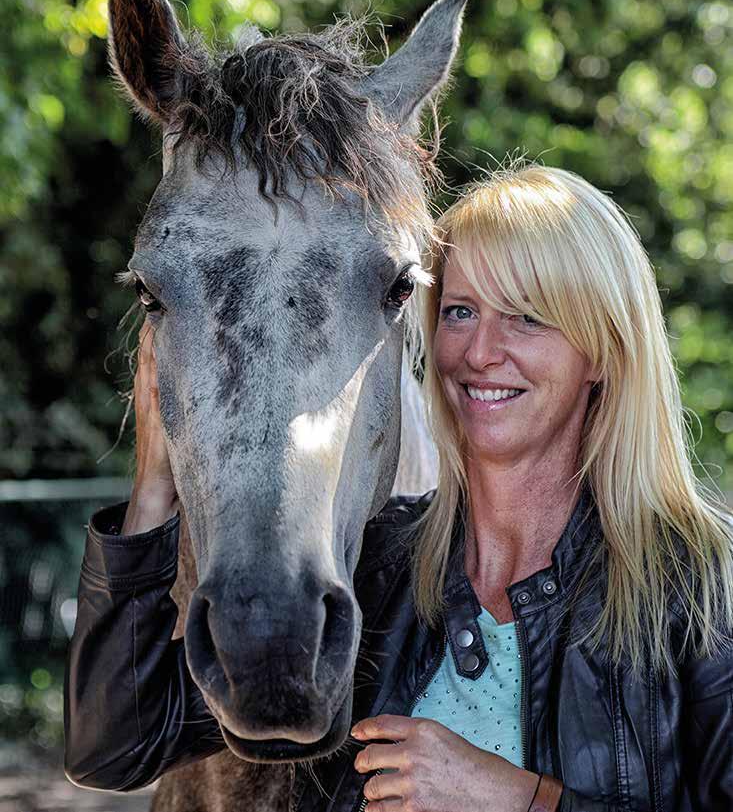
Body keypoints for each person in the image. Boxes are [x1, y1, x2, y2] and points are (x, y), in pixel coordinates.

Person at [65, 163, 733, 811]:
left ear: (605, 352)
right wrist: (152, 488)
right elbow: (117, 748)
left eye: (526, 316)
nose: (479, 352)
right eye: (462, 311)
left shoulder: (703, 586)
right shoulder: (376, 569)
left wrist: (521, 799)